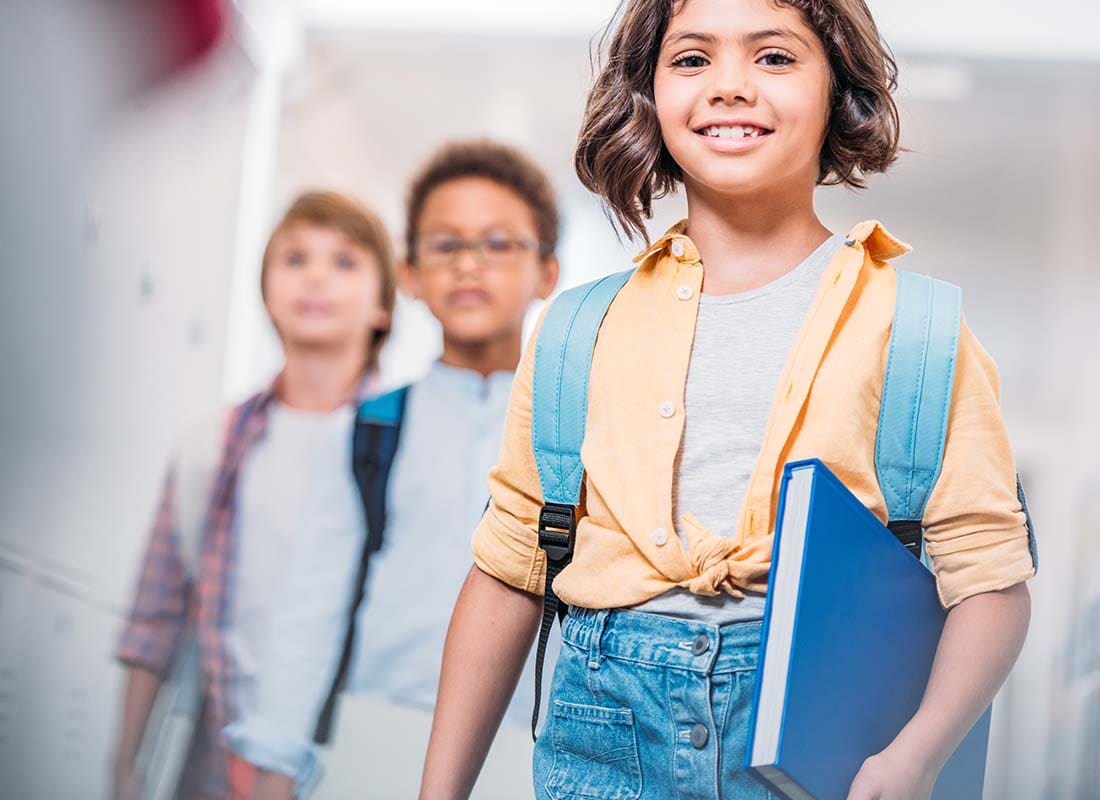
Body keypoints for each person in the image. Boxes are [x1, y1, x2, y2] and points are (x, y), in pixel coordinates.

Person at [420, 1, 1036, 798]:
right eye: (691, 60)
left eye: (775, 57)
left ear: (836, 90)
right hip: (602, 736)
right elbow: (509, 572)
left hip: (826, 752)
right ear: (648, 93)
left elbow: (989, 581)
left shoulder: (916, 330)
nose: (730, 87)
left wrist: (914, 758)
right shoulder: (579, 327)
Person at [112, 191, 397, 800]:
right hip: (218, 763)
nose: (316, 275)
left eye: (344, 261)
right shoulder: (212, 445)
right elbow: (156, 615)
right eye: (295, 258)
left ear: (383, 306)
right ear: (267, 291)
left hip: (354, 766)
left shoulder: (408, 446)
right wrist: (123, 765)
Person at [351, 140, 560, 726]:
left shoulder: (579, 431)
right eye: (446, 244)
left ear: (548, 272)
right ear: (410, 275)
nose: (469, 264)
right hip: (371, 715)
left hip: (527, 733)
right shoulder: (369, 427)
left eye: (498, 243)